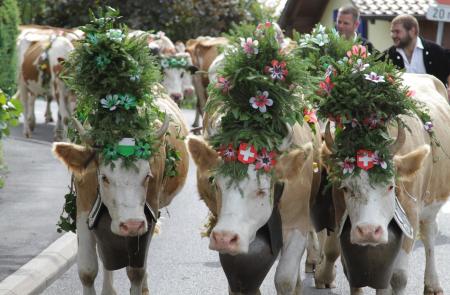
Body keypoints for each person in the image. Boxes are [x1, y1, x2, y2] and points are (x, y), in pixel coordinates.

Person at [385, 14, 450, 96]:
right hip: (404, 106)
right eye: (392, 32)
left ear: (412, 31)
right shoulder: (389, 55)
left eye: (397, 32)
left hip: (434, 103)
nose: (393, 35)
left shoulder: (434, 50)